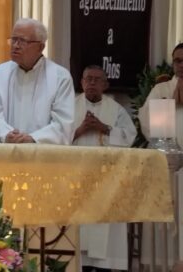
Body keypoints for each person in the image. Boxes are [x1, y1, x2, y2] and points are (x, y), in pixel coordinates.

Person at [72, 66, 135, 272]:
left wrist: (103, 127)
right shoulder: (69, 106)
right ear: (81, 82)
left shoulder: (115, 109)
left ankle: (103, 267)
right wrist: (81, 129)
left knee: (104, 228)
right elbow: (54, 136)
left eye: (97, 79)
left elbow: (130, 136)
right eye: (88, 78)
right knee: (79, 228)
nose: (92, 83)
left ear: (105, 85)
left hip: (106, 180)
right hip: (76, 179)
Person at [0, 18, 75, 144]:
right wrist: (7, 135)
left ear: (40, 47)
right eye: (14, 40)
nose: (15, 46)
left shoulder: (60, 77)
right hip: (6, 154)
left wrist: (33, 138)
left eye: (22, 41)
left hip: (43, 158)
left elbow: (64, 124)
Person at [139, 42, 183, 141]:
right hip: (167, 152)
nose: (182, 65)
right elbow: (146, 121)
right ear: (173, 64)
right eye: (178, 61)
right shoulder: (160, 89)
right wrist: (170, 105)